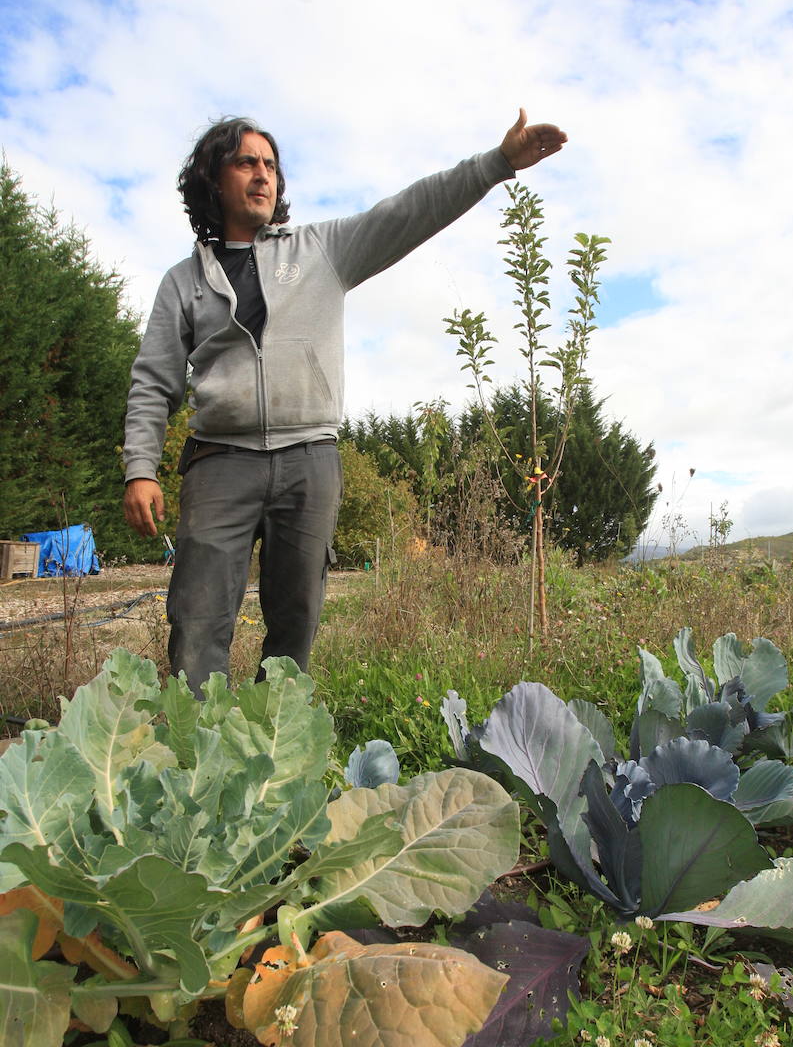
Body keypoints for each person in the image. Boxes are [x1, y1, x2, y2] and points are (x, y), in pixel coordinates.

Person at [122, 108, 567, 694]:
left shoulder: (322, 249)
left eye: (271, 165)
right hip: (218, 463)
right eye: (245, 163)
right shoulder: (183, 281)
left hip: (310, 459)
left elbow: (408, 212)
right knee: (198, 621)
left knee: (296, 624)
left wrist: (496, 164)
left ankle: (273, 752)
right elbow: (153, 379)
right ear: (213, 178)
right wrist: (140, 469)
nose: (262, 175)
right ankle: (199, 761)